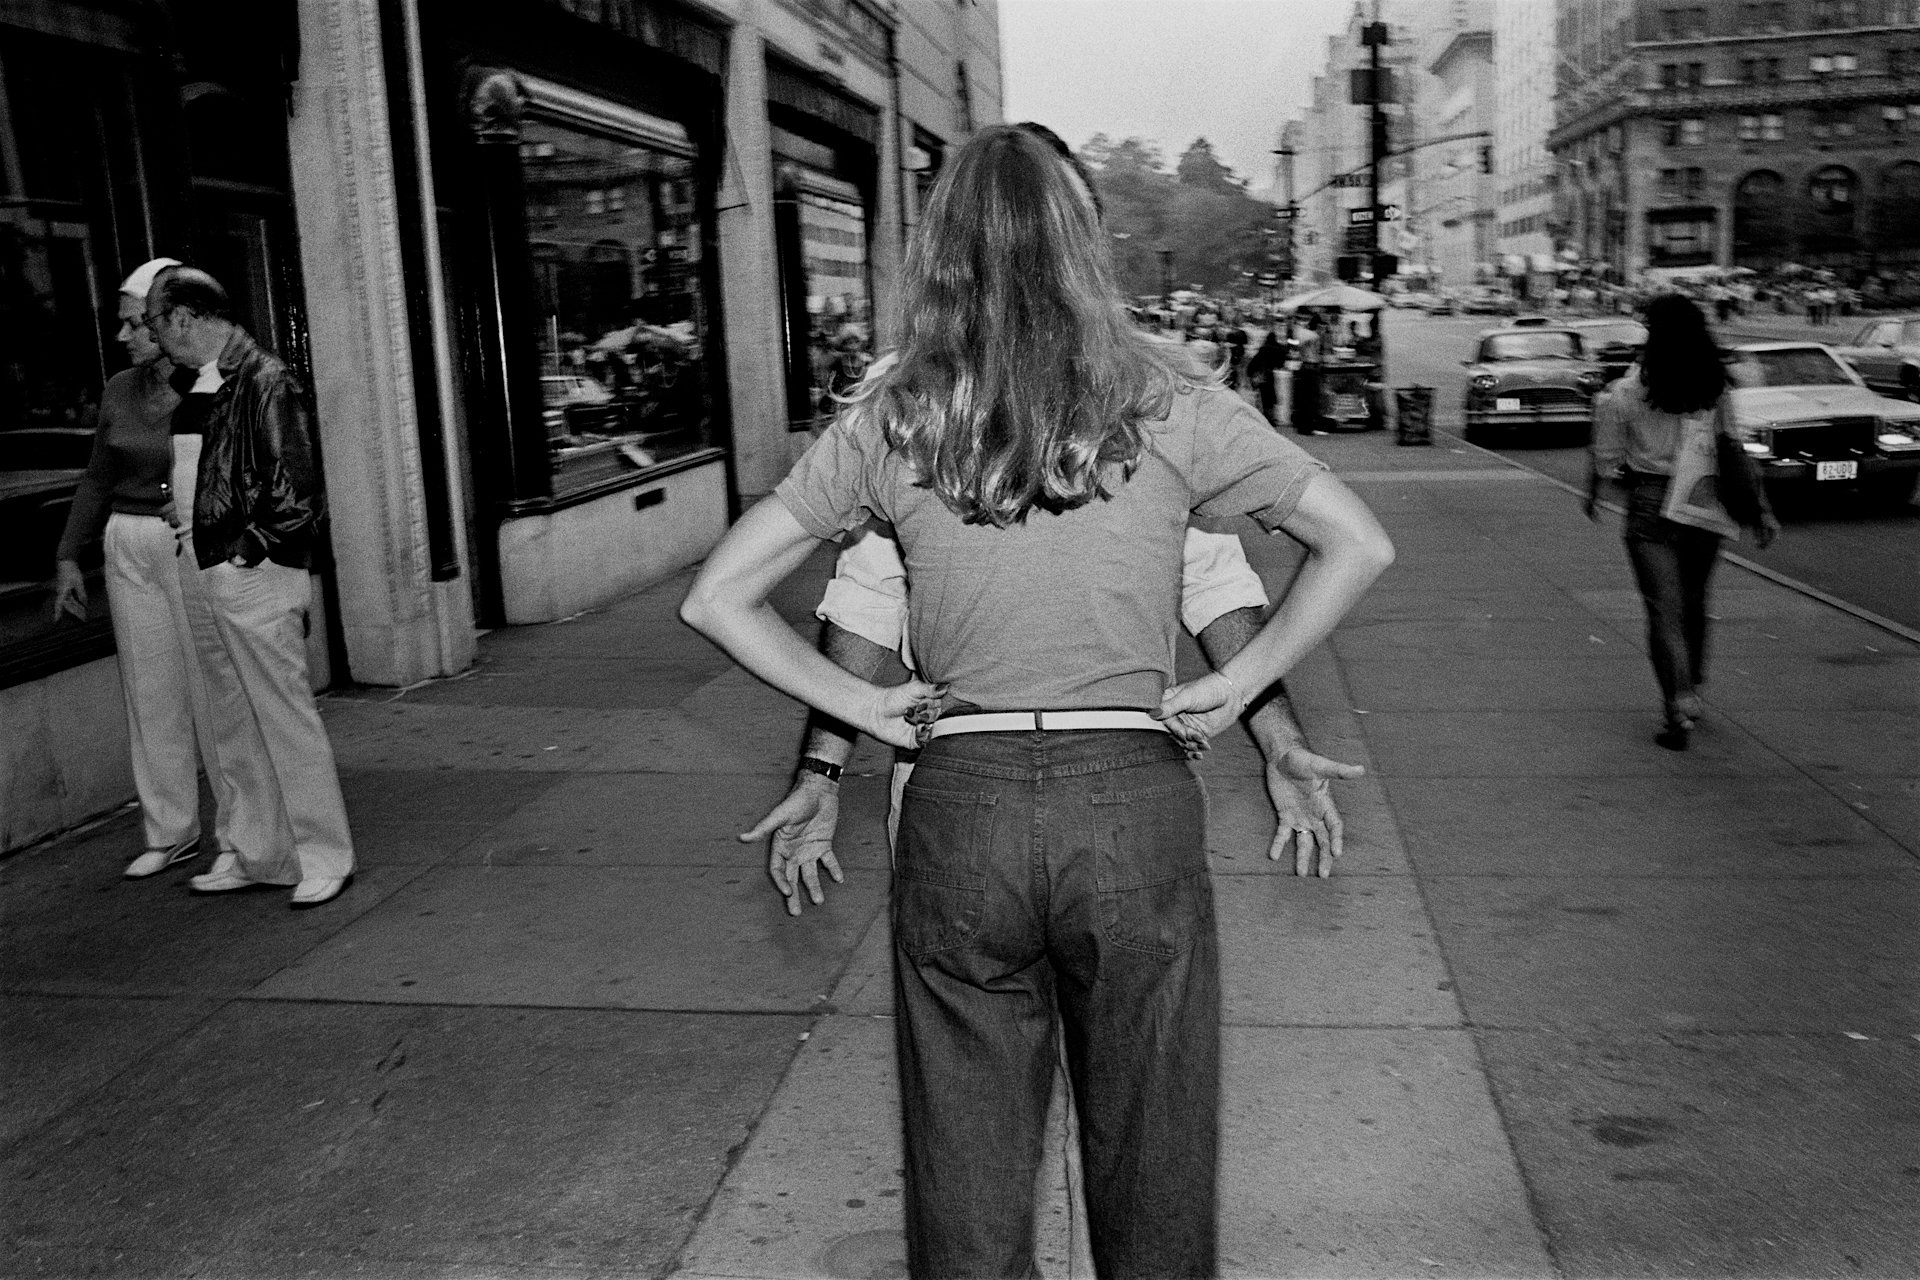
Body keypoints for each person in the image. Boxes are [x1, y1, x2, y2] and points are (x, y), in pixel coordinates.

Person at [681, 123, 1393, 1279]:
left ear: (940, 250)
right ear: (1081, 240)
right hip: (1131, 797)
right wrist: (1242, 691)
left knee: (965, 1159)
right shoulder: (1171, 399)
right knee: (1154, 1147)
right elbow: (1356, 544)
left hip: (960, 801)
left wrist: (860, 724)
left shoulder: (894, 417)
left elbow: (720, 597)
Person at [742, 524, 1365, 916]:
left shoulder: (913, 416)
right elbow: (1237, 578)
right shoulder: (1158, 409)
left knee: (969, 1050)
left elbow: (856, 602)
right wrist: (1279, 740)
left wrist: (822, 773)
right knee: (1136, 1051)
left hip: (961, 772)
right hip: (1122, 773)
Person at [49, 258, 279, 880]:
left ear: (166, 319)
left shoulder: (210, 382)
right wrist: (70, 553)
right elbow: (97, 475)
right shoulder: (121, 388)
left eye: (134, 323)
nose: (125, 336)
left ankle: (237, 835)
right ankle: (170, 828)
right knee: (150, 692)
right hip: (128, 543)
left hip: (188, 539)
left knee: (216, 694)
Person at [141, 266, 357, 908]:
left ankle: (324, 854)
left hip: (249, 573)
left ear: (183, 317)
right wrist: (187, 511)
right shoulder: (198, 384)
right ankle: (261, 854)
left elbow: (299, 488)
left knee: (281, 717)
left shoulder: (264, 378)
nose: (152, 336)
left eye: (154, 322)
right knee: (232, 721)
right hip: (203, 563)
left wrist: (246, 551)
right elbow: (219, 473)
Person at [1586, 293, 1779, 751]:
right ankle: (1692, 679)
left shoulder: (1625, 392)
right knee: (1695, 601)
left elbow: (1608, 462)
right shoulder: (1712, 390)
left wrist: (1602, 485)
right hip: (1703, 499)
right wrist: (1762, 508)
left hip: (1651, 504)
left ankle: (1678, 706)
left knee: (1662, 611)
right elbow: (1733, 449)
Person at [1246, 329, 1287, 427]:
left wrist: (1250, 372)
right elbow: (1281, 361)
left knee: (1264, 397)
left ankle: (1266, 417)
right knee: (1271, 396)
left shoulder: (1263, 349)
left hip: (1263, 374)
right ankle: (1272, 417)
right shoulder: (1278, 348)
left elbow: (1255, 362)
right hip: (1271, 375)